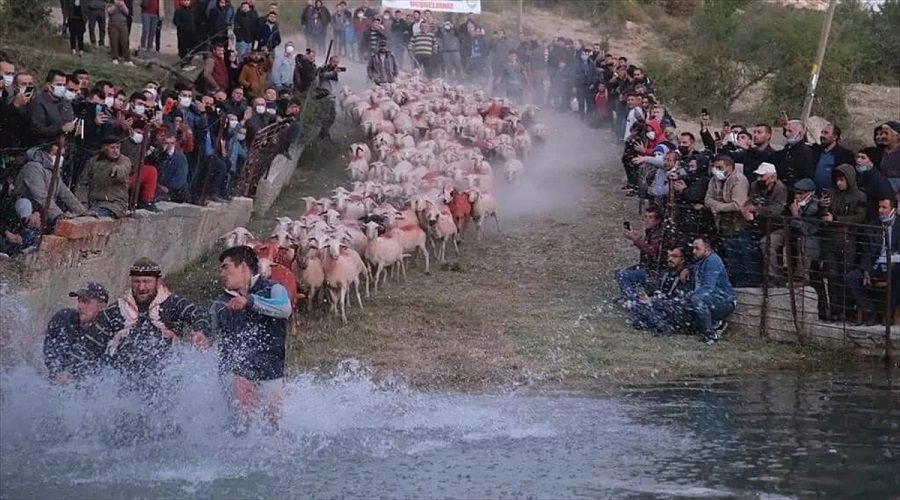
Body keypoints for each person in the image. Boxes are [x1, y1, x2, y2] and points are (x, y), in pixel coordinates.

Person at [92, 258, 211, 390]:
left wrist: (200, 331)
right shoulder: (116, 310)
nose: (141, 287)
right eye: (137, 282)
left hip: (168, 381)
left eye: (146, 281)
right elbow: (93, 343)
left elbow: (199, 314)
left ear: (158, 282)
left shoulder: (173, 303)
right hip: (125, 384)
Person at [212, 245, 292, 433]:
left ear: (243, 267)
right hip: (237, 373)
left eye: (226, 267)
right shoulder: (221, 302)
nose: (221, 273)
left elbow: (284, 308)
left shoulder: (274, 289)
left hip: (271, 371)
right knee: (241, 425)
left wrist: (250, 302)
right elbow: (208, 324)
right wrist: (201, 334)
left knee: (274, 428)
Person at [816, 164, 867, 321]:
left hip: (848, 241)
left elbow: (859, 218)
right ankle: (835, 310)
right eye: (837, 180)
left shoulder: (859, 196)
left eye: (842, 180)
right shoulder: (831, 193)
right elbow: (823, 217)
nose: (839, 183)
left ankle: (848, 310)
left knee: (846, 276)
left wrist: (837, 219)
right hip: (830, 241)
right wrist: (823, 207)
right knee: (832, 276)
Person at [844, 196, 900, 326]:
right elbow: (866, 251)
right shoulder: (872, 226)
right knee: (851, 277)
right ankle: (870, 312)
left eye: (884, 207)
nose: (880, 210)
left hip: (894, 266)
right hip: (875, 266)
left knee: (898, 275)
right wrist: (865, 270)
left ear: (893, 210)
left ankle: (888, 314)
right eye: (879, 207)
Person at [43, 283, 110, 384]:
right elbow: (50, 350)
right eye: (79, 300)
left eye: (86, 302)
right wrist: (57, 372)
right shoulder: (63, 319)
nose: (79, 306)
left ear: (101, 306)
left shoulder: (108, 332)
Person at [760, 178, 823, 285]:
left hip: (809, 237)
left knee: (804, 243)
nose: (797, 196)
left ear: (810, 194)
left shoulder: (816, 207)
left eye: (801, 194)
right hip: (790, 231)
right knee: (767, 242)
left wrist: (795, 215)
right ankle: (772, 275)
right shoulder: (792, 203)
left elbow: (807, 230)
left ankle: (800, 277)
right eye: (796, 193)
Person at [705, 154, 753, 286]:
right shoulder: (714, 180)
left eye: (720, 167)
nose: (716, 170)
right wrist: (717, 205)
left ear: (730, 167)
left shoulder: (739, 180)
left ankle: (747, 284)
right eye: (715, 167)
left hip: (738, 225)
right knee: (729, 257)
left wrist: (718, 206)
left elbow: (738, 204)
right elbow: (707, 199)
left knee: (743, 257)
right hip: (722, 224)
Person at [15, 143, 87, 229]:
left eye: (62, 155)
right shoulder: (33, 168)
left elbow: (65, 193)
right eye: (56, 155)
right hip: (28, 213)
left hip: (43, 213)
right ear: (45, 152)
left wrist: (82, 211)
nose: (60, 158)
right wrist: (58, 216)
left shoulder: (52, 171)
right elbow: (41, 196)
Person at [625, 247, 693, 336]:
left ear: (683, 260)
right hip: (663, 307)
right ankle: (656, 322)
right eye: (669, 256)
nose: (670, 259)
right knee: (636, 305)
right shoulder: (666, 273)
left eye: (674, 256)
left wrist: (653, 301)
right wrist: (646, 295)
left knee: (645, 309)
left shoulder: (685, 276)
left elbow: (680, 300)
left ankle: (664, 327)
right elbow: (659, 292)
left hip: (676, 310)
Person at [688, 237, 736, 344]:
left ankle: (710, 334)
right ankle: (715, 324)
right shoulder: (702, 261)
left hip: (724, 301)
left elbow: (708, 288)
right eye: (693, 248)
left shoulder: (713, 261)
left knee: (696, 300)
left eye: (697, 248)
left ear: (707, 249)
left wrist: (691, 296)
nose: (694, 251)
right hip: (714, 299)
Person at [615, 207, 666, 303]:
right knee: (619, 272)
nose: (647, 220)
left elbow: (651, 251)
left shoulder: (659, 234)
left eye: (650, 217)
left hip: (654, 270)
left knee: (623, 275)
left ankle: (632, 301)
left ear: (658, 220)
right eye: (646, 216)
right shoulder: (651, 231)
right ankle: (628, 295)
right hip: (647, 266)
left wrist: (635, 239)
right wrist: (635, 238)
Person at [78, 135, 131, 218]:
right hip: (93, 203)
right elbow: (83, 184)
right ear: (103, 148)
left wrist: (116, 171)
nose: (116, 151)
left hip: (113, 204)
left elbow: (124, 169)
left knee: (95, 217)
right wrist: (83, 203)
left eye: (118, 148)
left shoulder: (123, 160)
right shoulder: (93, 162)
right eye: (112, 148)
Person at [28, 69, 77, 147]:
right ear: (48, 85)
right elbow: (37, 129)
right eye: (59, 85)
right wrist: (61, 128)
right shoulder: (39, 102)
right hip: (45, 147)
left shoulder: (65, 102)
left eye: (64, 85)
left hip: (65, 146)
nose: (62, 88)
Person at [854, 149, 895, 223]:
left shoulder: (879, 181)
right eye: (858, 157)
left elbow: (886, 202)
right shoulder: (861, 175)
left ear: (871, 161)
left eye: (863, 158)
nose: (858, 160)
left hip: (873, 220)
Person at [812, 122, 855, 192]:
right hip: (814, 194)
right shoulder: (816, 150)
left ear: (835, 137)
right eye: (822, 132)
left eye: (826, 133)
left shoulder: (845, 155)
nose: (822, 135)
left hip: (834, 196)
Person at [776, 119, 814, 186]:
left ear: (799, 133)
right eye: (786, 131)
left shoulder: (805, 153)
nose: (786, 134)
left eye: (790, 131)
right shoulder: (787, 150)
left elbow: (806, 176)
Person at [107, 0, 133, 66]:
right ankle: (115, 58)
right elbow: (110, 12)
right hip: (113, 25)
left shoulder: (124, 2)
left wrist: (122, 5)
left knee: (125, 41)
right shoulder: (111, 2)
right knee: (114, 42)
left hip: (123, 24)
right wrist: (115, 5)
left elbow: (127, 12)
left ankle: (127, 59)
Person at [173, 0, 198, 69]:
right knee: (183, 48)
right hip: (182, 33)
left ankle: (189, 61)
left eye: (188, 0)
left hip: (192, 33)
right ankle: (183, 63)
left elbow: (195, 20)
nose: (187, 2)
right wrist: (183, 26)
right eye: (185, 1)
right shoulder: (179, 10)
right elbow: (175, 21)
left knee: (193, 47)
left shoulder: (192, 10)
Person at [879, 121, 900, 193]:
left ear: (897, 136)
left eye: (886, 133)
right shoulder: (881, 152)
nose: (882, 136)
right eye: (882, 133)